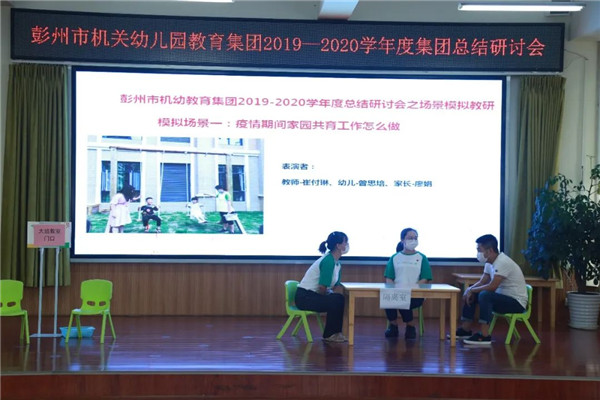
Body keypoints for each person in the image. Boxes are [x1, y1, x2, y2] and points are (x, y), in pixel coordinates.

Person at [457, 234, 528, 345]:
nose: (478, 253)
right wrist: (469, 289)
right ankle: (465, 330)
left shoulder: (502, 262)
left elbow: (492, 286)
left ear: (489, 250)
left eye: (479, 250)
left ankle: (484, 336)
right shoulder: (489, 262)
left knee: (485, 295)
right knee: (473, 294)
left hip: (516, 303)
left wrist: (472, 290)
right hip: (502, 299)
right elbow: (482, 281)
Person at [295, 231, 349, 343]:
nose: (347, 245)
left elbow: (334, 286)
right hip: (304, 297)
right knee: (335, 300)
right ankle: (330, 334)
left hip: (313, 295)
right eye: (345, 242)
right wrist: (328, 297)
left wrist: (330, 295)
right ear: (338, 246)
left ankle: (336, 333)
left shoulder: (337, 264)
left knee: (339, 298)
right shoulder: (328, 260)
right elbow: (322, 287)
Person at [384, 228, 433, 339]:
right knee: (388, 296)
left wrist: (411, 290)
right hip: (397, 293)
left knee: (403, 298)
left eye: (415, 238)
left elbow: (425, 278)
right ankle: (393, 326)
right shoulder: (395, 257)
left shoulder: (422, 257)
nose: (413, 240)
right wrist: (393, 290)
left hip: (416, 294)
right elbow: (389, 278)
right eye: (410, 238)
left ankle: (410, 326)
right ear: (402, 240)